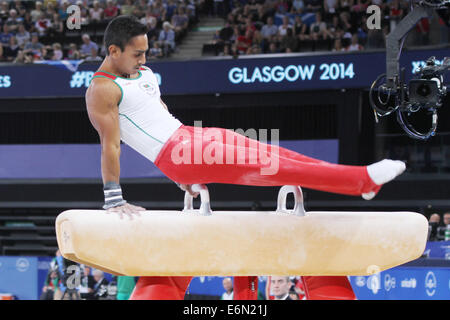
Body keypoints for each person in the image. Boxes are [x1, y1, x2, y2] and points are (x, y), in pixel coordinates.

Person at [85, 15, 406, 300]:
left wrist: (183, 177)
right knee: (275, 168)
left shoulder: (142, 73)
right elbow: (111, 145)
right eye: (137, 54)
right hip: (179, 153)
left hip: (192, 135)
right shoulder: (102, 89)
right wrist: (114, 198)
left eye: (146, 52)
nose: (144, 59)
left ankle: (359, 182)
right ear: (113, 51)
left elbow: (160, 114)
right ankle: (361, 180)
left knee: (277, 154)